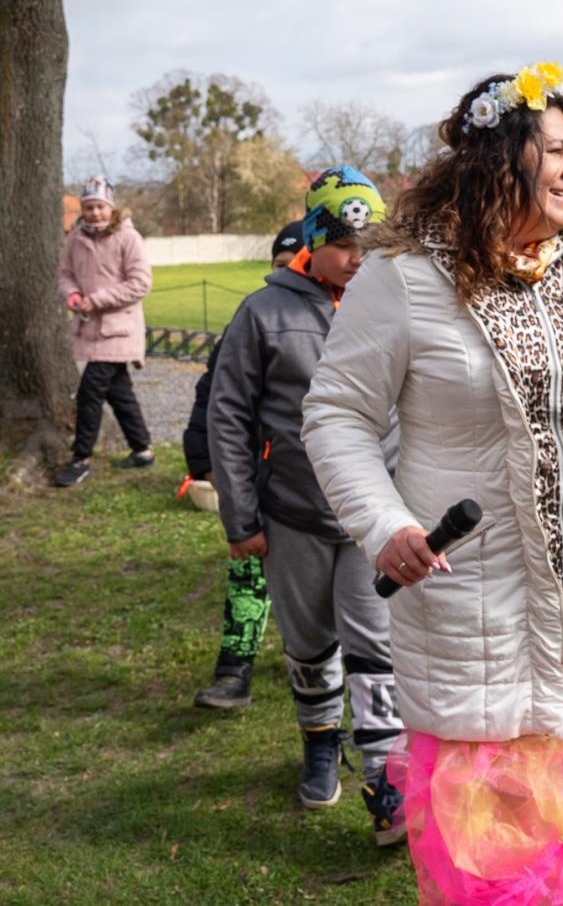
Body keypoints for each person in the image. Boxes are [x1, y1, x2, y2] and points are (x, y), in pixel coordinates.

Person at [301, 63, 563, 903]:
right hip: (480, 617)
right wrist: (385, 526)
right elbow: (337, 417)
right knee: (500, 863)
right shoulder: (404, 277)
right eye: (557, 150)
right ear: (501, 158)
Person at [206, 169, 407, 845]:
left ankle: (385, 777)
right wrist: (241, 517)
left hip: (372, 516)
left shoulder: (394, 303)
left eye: (369, 246)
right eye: (345, 245)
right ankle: (320, 741)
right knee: (310, 640)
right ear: (314, 242)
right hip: (292, 513)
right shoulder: (264, 313)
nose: (357, 259)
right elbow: (228, 415)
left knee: (374, 644)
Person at [186, 220, 304, 710]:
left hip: (317, 488)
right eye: (280, 265)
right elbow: (214, 400)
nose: (289, 273)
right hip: (261, 482)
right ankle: (234, 668)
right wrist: (204, 461)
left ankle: (322, 662)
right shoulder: (253, 320)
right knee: (249, 575)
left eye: (297, 264)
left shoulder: (348, 321)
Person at [54, 177, 154, 487]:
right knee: (119, 392)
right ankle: (142, 450)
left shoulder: (129, 237)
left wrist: (96, 300)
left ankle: (80, 459)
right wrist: (72, 294)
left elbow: (140, 283)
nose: (95, 213)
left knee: (89, 392)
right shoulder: (75, 238)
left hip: (120, 330)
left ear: (111, 207)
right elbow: (65, 274)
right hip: (90, 328)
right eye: (88, 207)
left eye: (100, 206)